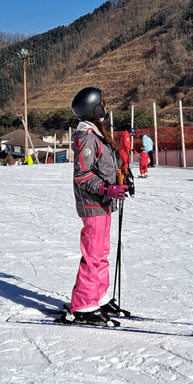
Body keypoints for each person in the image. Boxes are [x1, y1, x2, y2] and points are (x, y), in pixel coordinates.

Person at [68, 86, 128, 325]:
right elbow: (82, 174)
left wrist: (123, 177)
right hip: (93, 204)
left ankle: (98, 297)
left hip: (103, 204)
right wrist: (105, 188)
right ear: (92, 107)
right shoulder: (87, 137)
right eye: (102, 102)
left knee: (101, 253)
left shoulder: (97, 133)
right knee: (93, 254)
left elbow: (107, 165)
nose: (106, 105)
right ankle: (83, 305)